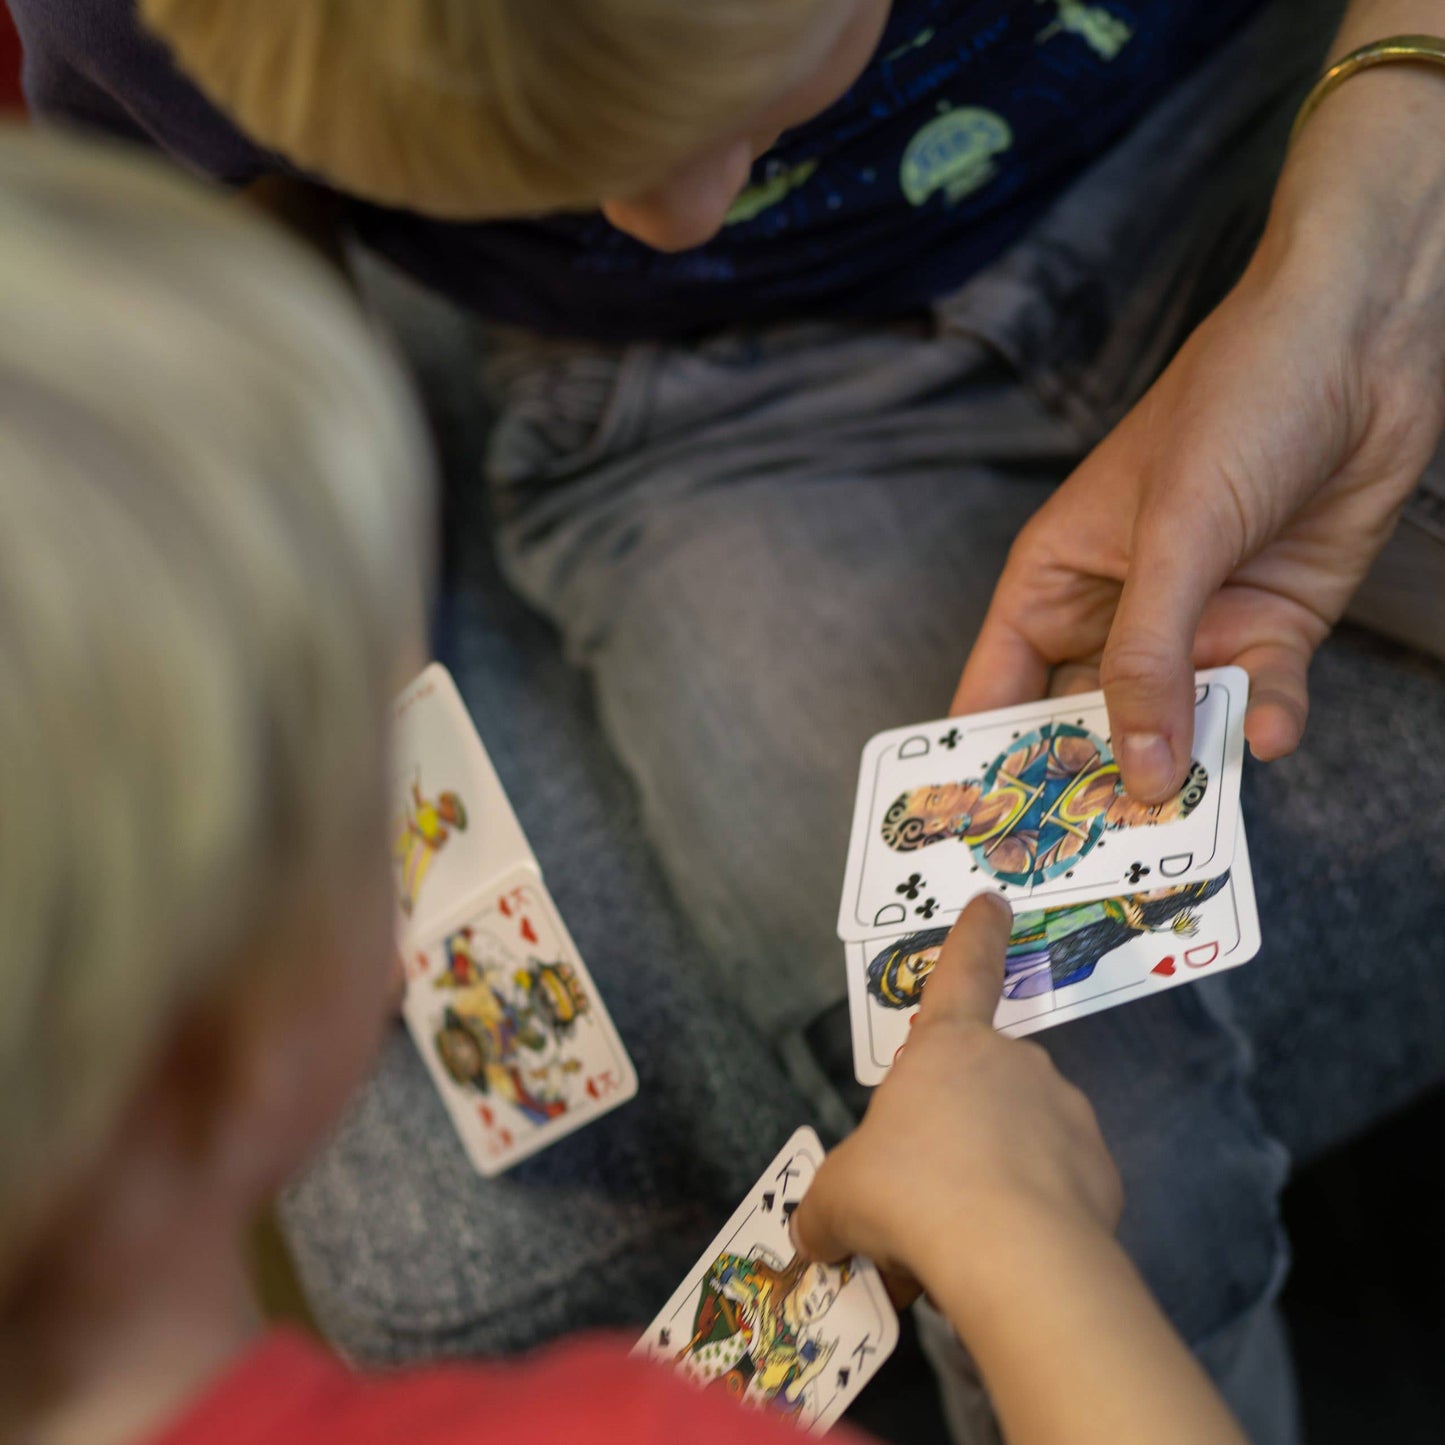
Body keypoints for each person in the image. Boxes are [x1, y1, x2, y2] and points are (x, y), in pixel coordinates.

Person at [10, 1, 1445, 1439]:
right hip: (703, 404)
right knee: (1127, 1185)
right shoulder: (135, 26)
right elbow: (163, 285)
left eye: (745, 95)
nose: (669, 218)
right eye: (553, 162)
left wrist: (1383, 187)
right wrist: (309, 557)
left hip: (1269, 99)